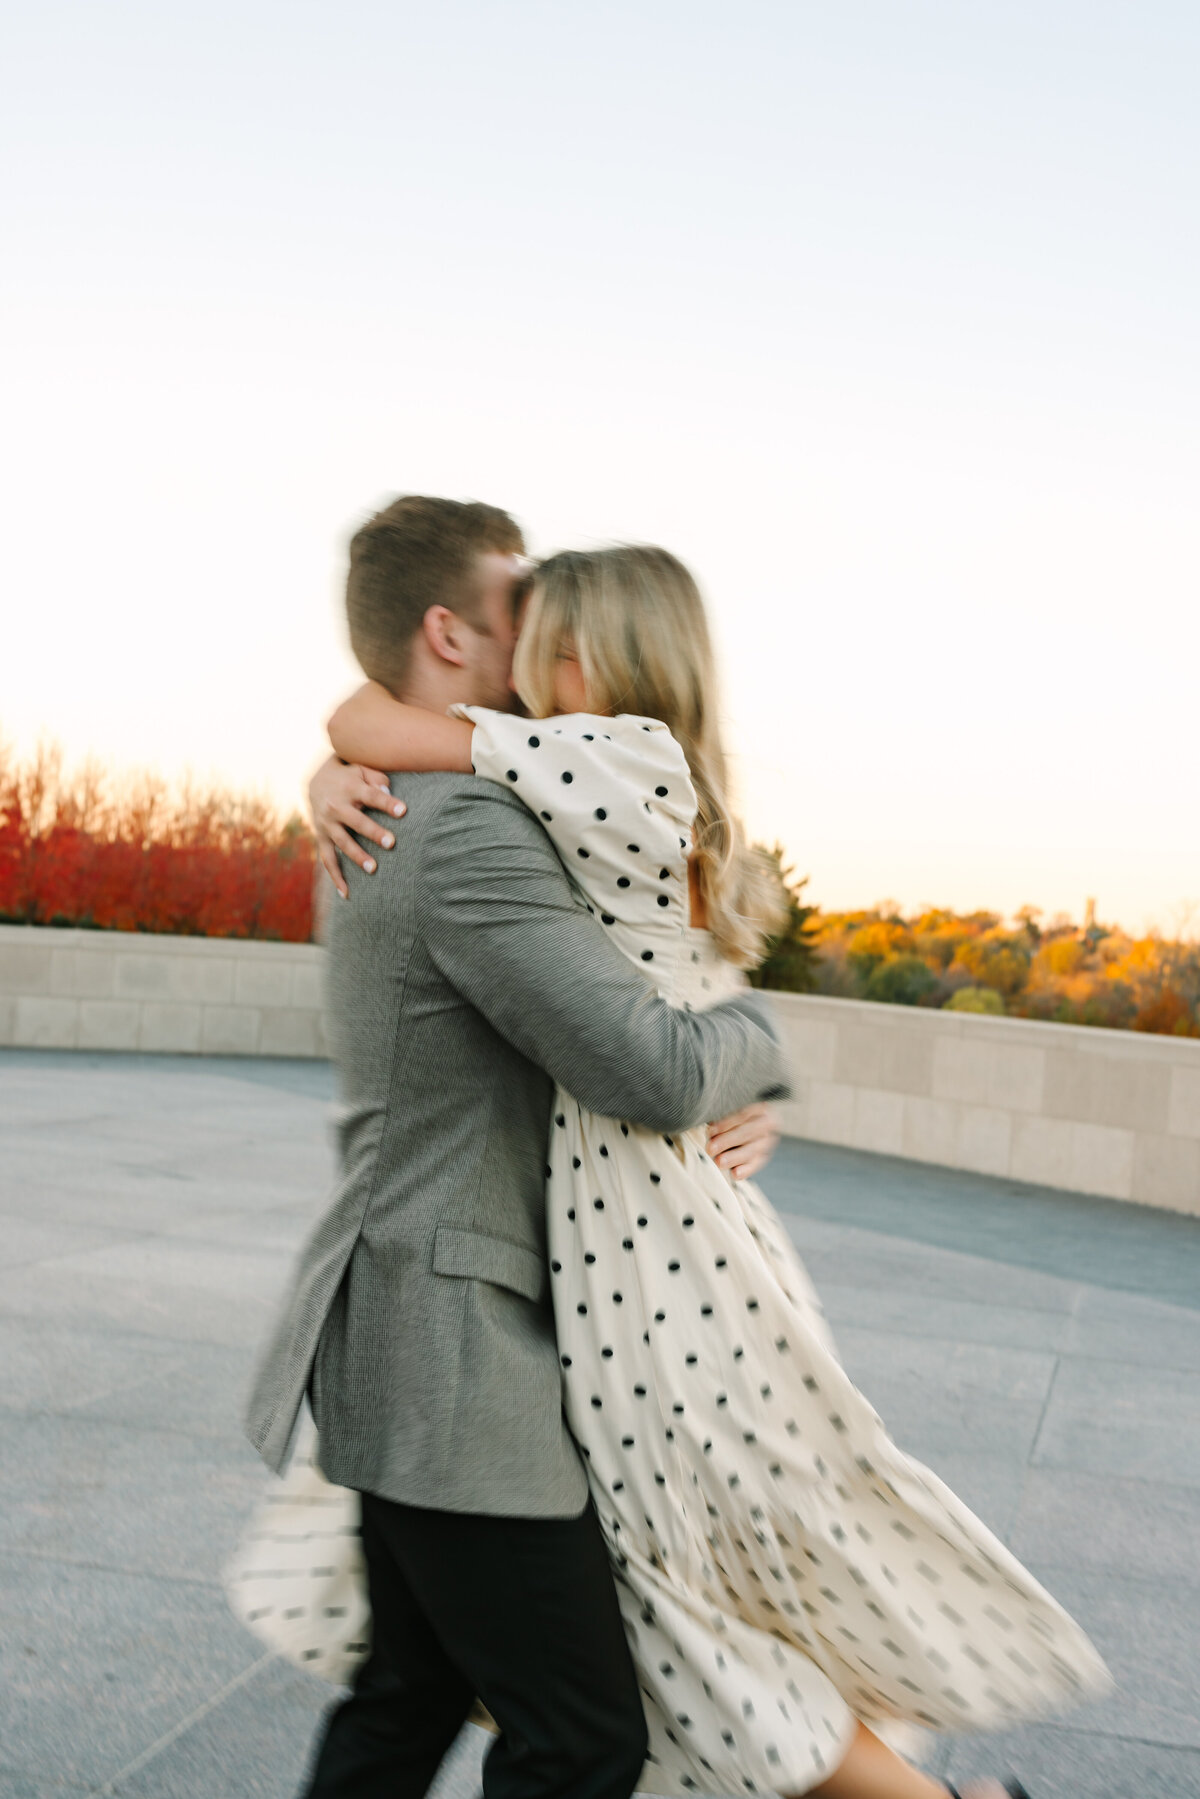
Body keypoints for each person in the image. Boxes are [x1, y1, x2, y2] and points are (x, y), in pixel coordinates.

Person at [313, 541, 1111, 1799]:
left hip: (646, 1252)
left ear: (595, 655)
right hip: (617, 1245)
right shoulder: (588, 783)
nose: (523, 660)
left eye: (548, 634)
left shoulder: (604, 763)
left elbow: (671, 1053)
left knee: (668, 1607)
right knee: (653, 1611)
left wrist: (756, 1058)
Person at [242, 497, 795, 1799]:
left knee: (411, 1694)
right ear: (449, 632)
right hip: (454, 1347)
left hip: (408, 1319)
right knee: (581, 1732)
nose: (545, 619)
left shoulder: (408, 793)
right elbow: (651, 1066)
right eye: (518, 601)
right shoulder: (473, 825)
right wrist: (760, 1036)